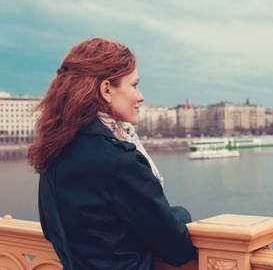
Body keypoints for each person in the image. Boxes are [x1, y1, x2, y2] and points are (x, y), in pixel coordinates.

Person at [28, 38, 196, 269]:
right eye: (135, 85)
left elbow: (52, 231)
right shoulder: (120, 161)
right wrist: (180, 214)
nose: (141, 96)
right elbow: (178, 249)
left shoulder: (54, 150)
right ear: (106, 89)